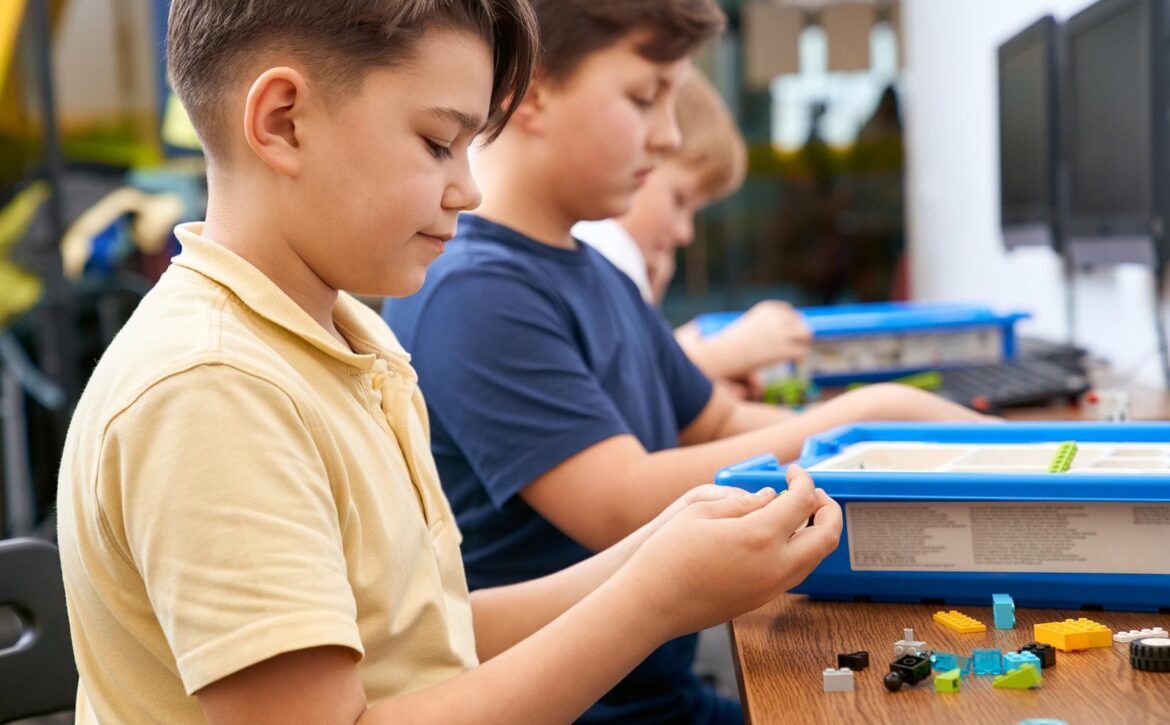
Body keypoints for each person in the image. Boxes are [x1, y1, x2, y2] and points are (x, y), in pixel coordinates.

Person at [55, 2, 844, 723]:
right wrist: (653, 598)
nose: (467, 188)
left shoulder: (348, 339)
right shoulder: (215, 390)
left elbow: (429, 632)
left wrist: (661, 547)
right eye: (438, 142)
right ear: (284, 122)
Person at [382, 0, 984, 721]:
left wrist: (854, 439)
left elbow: (715, 415)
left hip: (661, 692)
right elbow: (623, 501)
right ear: (534, 91)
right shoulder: (476, 291)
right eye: (644, 98)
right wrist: (867, 417)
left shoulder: (594, 271)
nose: (666, 134)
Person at [574, 73, 811, 397]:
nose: (685, 233)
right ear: (639, 161)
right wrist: (730, 352)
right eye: (679, 200)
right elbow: (627, 389)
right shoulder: (605, 245)